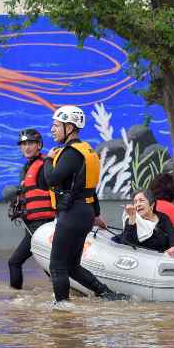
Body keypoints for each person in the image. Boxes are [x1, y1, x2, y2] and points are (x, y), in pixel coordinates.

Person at [43, 105, 128, 302]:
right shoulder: (86, 150)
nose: (52, 129)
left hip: (72, 214)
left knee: (57, 266)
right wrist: (96, 214)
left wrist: (48, 160)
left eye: (56, 125)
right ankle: (109, 295)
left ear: (70, 127)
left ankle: (62, 309)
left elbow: (52, 179)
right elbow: (88, 188)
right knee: (72, 266)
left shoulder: (71, 153)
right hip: (85, 212)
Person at [7, 128, 56, 290]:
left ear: (39, 145)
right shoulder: (28, 168)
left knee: (15, 262)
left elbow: (56, 192)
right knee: (49, 265)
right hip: (31, 225)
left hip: (42, 225)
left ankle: (16, 298)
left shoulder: (43, 167)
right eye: (23, 144)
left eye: (30, 143)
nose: (26, 147)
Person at [120, 189, 174, 255]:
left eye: (141, 201)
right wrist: (132, 218)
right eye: (135, 202)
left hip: (164, 257)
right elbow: (126, 245)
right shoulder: (131, 218)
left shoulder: (162, 217)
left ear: (152, 204)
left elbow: (172, 235)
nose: (138, 204)